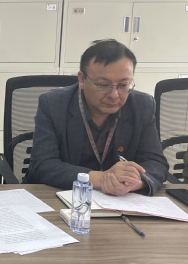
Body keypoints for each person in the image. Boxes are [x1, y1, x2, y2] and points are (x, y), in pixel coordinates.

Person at [25, 39, 168, 195]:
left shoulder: (142, 105)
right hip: (62, 196)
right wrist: (101, 178)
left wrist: (135, 182)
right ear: (82, 79)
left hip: (120, 201)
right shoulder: (53, 104)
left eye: (123, 85)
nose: (114, 95)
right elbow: (43, 165)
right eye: (103, 85)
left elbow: (156, 162)